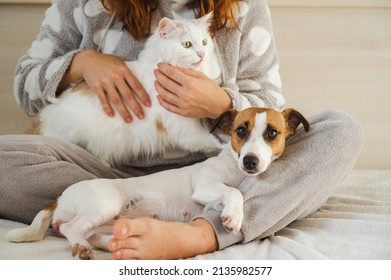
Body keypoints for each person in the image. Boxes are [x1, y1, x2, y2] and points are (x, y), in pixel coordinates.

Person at [0, 0, 363, 260]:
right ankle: (108, 217)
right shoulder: (84, 5)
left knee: (339, 132)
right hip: (102, 174)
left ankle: (200, 234)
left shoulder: (243, 8)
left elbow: (269, 109)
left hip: (223, 173)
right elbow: (24, 86)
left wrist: (222, 105)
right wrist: (80, 63)